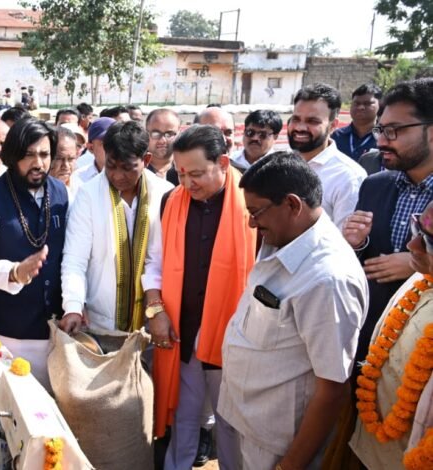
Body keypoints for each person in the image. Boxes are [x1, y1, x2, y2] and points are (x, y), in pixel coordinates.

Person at [218, 151, 368, 469]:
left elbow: (332, 389)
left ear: (292, 204)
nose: (251, 222)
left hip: (275, 443)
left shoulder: (328, 279)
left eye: (256, 212)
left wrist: (291, 465)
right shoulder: (284, 237)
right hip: (243, 414)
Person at [326, 79, 433, 468]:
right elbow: (358, 267)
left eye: (395, 131)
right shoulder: (375, 185)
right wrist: (353, 245)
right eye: (381, 130)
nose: (382, 140)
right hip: (369, 351)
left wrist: (419, 269)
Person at [146, 125, 255, 470]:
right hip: (184, 329)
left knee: (231, 423)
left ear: (222, 162)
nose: (187, 183)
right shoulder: (171, 200)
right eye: (180, 173)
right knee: (184, 415)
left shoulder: (252, 197)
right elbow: (155, 262)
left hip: (235, 334)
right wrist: (156, 310)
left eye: (196, 174)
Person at [0, 118, 68, 387]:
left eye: (45, 154)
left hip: (57, 331)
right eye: (28, 155)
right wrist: (14, 272)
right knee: (12, 419)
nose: (38, 163)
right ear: (13, 156)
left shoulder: (60, 191)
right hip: (10, 332)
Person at [61, 120, 173, 333]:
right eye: (111, 166)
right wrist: (73, 306)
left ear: (146, 160)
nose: (118, 176)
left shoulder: (164, 193)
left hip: (153, 322)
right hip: (100, 322)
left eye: (127, 168)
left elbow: (157, 259)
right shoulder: (88, 195)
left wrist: (156, 310)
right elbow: (75, 259)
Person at [349, 199, 433, 469]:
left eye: (429, 242)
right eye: (416, 229)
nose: (412, 246)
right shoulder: (419, 279)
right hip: (370, 447)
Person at [288, 83, 367, 229]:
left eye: (313, 121)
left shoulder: (348, 176)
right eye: (296, 119)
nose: (300, 128)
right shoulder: (282, 165)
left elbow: (343, 242)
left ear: (332, 126)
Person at [332, 84, 381, 161]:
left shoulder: (385, 138)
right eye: (356, 103)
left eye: (367, 103)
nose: (360, 107)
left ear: (380, 105)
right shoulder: (335, 136)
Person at [70, 117, 114, 192]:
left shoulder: (132, 175)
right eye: (106, 143)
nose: (114, 147)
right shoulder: (77, 178)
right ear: (91, 148)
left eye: (117, 141)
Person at [144, 108, 181, 179]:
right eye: (156, 133)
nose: (162, 140)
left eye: (169, 134)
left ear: (179, 134)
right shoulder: (135, 169)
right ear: (146, 133)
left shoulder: (188, 168)